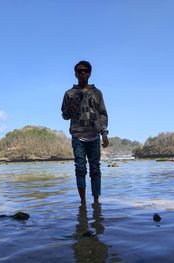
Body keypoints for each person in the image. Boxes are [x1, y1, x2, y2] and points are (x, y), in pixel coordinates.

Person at [61, 60, 109, 206]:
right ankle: (83, 203)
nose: (82, 73)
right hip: (77, 136)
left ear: (89, 73)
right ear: (75, 74)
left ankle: (96, 202)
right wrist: (70, 109)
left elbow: (102, 114)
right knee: (80, 168)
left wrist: (104, 134)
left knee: (95, 168)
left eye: (85, 70)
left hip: (94, 136)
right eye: (79, 71)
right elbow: (64, 115)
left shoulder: (97, 93)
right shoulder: (69, 94)